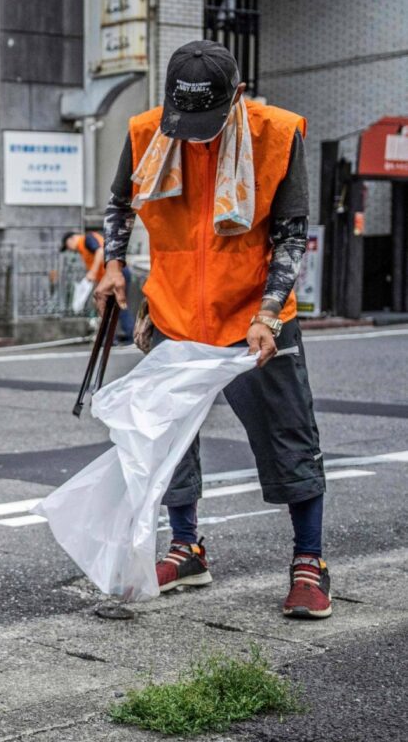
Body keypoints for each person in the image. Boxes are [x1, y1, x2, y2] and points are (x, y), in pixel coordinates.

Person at [94, 40, 331, 619]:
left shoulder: (277, 134)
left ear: (238, 97)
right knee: (170, 442)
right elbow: (119, 205)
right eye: (185, 120)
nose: (194, 134)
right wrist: (115, 265)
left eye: (206, 121)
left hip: (254, 317)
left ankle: (309, 562)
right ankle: (187, 548)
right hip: (176, 314)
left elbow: (291, 234)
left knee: (288, 438)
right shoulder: (148, 132)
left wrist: (269, 313)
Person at [60, 230, 133, 342]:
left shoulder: (86, 239)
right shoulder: (84, 245)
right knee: (115, 305)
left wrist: (93, 272)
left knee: (113, 306)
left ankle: (117, 337)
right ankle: (118, 337)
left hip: (115, 274)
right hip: (113, 275)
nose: (69, 249)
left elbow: (100, 251)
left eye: (67, 246)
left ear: (71, 239)